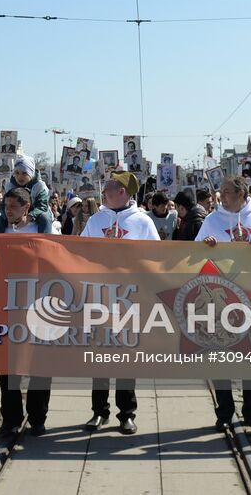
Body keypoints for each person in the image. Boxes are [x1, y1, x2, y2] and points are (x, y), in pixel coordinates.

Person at [198, 176, 251, 430]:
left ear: (241, 193)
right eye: (220, 191)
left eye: (226, 191)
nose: (220, 195)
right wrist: (206, 247)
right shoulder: (211, 220)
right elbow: (194, 253)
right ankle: (224, 411)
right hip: (220, 295)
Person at [81, 171, 159, 434]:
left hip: (130, 299)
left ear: (123, 192)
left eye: (109, 188)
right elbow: (80, 252)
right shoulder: (95, 220)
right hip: (101, 297)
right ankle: (98, 412)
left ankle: (126, 414)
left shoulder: (143, 223)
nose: (104, 192)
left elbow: (155, 258)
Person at [0, 187, 53, 434]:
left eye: (13, 207)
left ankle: (38, 417)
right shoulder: (0, 228)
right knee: (7, 363)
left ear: (26, 208)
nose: (7, 211)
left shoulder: (41, 228)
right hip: (7, 303)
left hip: (39, 303)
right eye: (5, 206)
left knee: (40, 362)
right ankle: (11, 417)